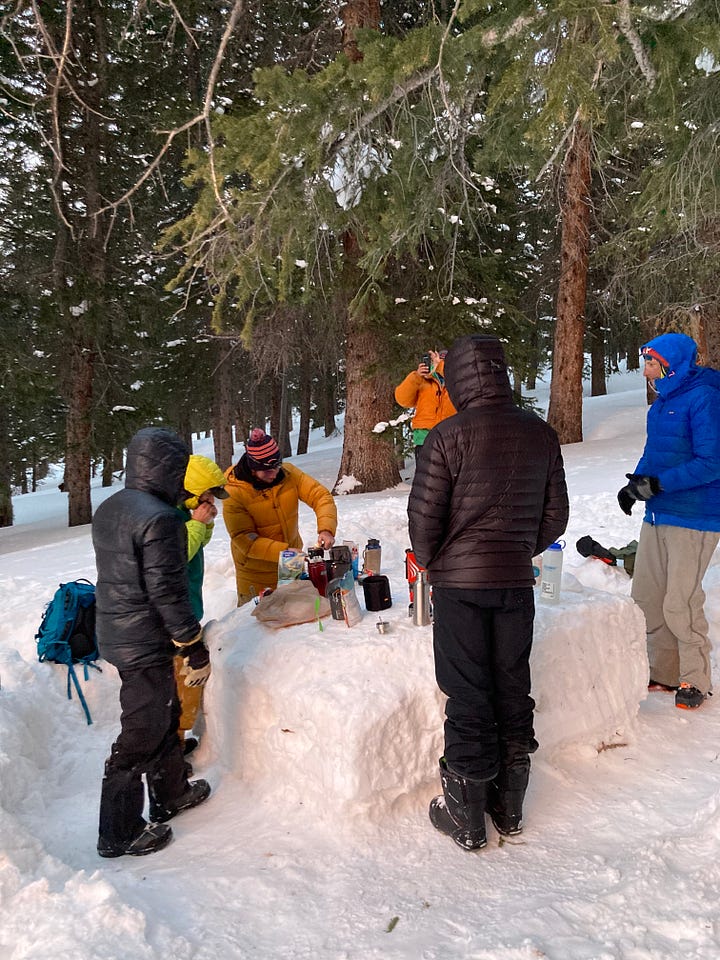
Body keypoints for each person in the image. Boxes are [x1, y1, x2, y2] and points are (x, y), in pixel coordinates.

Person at [408, 334, 568, 851]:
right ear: (500, 373)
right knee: (511, 687)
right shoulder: (540, 433)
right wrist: (517, 548)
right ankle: (509, 805)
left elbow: (424, 519)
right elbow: (555, 515)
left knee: (469, 692)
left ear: (458, 379)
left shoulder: (447, 435)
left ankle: (468, 816)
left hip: (460, 586)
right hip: (515, 583)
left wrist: (437, 561)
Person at [92, 427, 212, 858]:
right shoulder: (160, 519)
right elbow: (166, 589)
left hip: (119, 630)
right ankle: (118, 832)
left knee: (166, 711)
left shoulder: (111, 507)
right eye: (179, 470)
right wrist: (191, 643)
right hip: (143, 637)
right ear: (166, 468)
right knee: (141, 731)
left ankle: (171, 793)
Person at [618, 332, 720, 710]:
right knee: (647, 595)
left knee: (680, 600)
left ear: (669, 364)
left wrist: (659, 484)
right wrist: (634, 486)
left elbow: (713, 461)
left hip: (695, 514)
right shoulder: (662, 403)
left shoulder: (704, 398)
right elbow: (654, 455)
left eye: (649, 362)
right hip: (659, 512)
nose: (643, 368)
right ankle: (663, 670)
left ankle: (695, 677)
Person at [223, 428, 338, 605]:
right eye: (267, 470)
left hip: (291, 563)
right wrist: (283, 551)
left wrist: (326, 529)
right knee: (258, 624)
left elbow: (320, 496)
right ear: (253, 468)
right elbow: (244, 539)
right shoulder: (234, 492)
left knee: (294, 618)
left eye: (277, 466)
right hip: (255, 574)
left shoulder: (288, 474)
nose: (275, 473)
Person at [175, 454, 229, 755]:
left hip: (185, 609)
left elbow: (194, 545)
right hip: (174, 616)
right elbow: (178, 554)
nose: (211, 501)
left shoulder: (186, 515)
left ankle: (177, 739)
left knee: (183, 683)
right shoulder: (171, 516)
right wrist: (196, 523)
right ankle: (174, 745)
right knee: (181, 682)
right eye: (207, 496)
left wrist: (203, 525)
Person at [394, 349, 457, 450]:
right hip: (424, 437)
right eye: (438, 360)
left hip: (452, 437)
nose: (441, 363)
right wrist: (416, 377)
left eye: (445, 361)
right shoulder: (422, 379)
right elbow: (402, 400)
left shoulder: (457, 380)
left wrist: (441, 367)